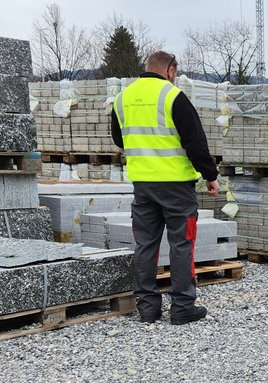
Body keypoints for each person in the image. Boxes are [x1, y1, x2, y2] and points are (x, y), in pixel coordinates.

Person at [111, 51, 219, 325]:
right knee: (181, 245)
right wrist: (210, 175)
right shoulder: (173, 96)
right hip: (176, 187)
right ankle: (182, 307)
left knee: (145, 245)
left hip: (142, 186)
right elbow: (195, 141)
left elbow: (119, 139)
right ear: (170, 70)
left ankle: (147, 308)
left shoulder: (122, 98)